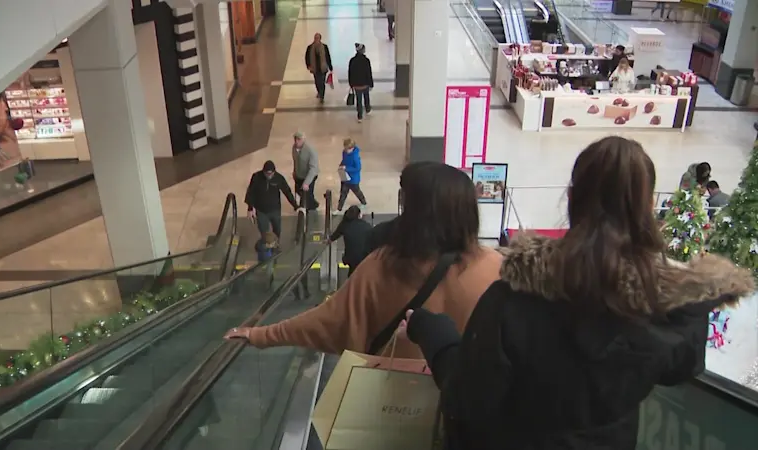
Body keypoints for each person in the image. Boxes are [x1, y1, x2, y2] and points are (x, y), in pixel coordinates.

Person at [401, 136, 755, 450]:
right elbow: (681, 367)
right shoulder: (669, 313)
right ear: (647, 211)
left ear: (571, 199)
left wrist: (436, 333)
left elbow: (465, 400)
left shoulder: (512, 302)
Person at [224, 162, 504, 360]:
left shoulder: (381, 268)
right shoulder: (495, 270)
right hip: (466, 415)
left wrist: (259, 335)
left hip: (394, 412)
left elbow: (326, 321)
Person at [245, 160, 299, 238]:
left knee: (277, 230)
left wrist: (295, 206)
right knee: (264, 231)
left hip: (275, 210)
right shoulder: (256, 177)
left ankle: (276, 245)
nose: (269, 176)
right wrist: (250, 208)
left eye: (271, 173)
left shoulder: (279, 178)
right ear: (263, 172)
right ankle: (266, 246)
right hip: (261, 211)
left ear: (274, 172)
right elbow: (251, 192)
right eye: (267, 173)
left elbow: (287, 192)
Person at [329, 205, 373, 276]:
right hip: (365, 258)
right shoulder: (367, 226)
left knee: (353, 273)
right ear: (359, 215)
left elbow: (335, 235)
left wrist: (329, 240)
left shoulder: (345, 225)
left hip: (351, 259)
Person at [337, 138, 368, 212]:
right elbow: (344, 160)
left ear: (352, 148)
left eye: (347, 149)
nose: (346, 150)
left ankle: (363, 202)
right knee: (343, 193)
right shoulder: (344, 152)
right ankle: (339, 208)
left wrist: (346, 168)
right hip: (345, 176)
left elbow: (358, 168)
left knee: (357, 192)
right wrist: (341, 165)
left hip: (353, 179)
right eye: (345, 148)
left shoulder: (355, 157)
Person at [291, 131, 320, 211]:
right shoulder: (294, 148)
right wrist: (294, 172)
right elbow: (295, 161)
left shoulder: (310, 151)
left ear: (303, 140)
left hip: (310, 176)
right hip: (299, 175)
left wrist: (306, 183)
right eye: (296, 139)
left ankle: (308, 209)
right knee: (300, 192)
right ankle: (313, 204)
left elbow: (313, 169)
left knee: (306, 193)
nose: (297, 141)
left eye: (299, 139)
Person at [347, 44, 374, 123]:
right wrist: (371, 83)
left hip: (356, 85)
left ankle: (360, 116)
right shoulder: (366, 60)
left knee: (358, 100)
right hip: (365, 84)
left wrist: (351, 84)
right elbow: (369, 73)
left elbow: (350, 73)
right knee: (366, 97)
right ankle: (368, 109)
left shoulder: (352, 60)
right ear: (362, 50)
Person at [304, 33, 333, 104]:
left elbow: (327, 57)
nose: (316, 39)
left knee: (322, 82)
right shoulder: (310, 47)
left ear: (320, 39)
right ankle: (319, 92)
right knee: (317, 81)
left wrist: (330, 66)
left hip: (323, 68)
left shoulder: (324, 47)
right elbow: (307, 57)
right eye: (315, 38)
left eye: (318, 38)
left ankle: (322, 96)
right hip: (315, 68)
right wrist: (308, 66)